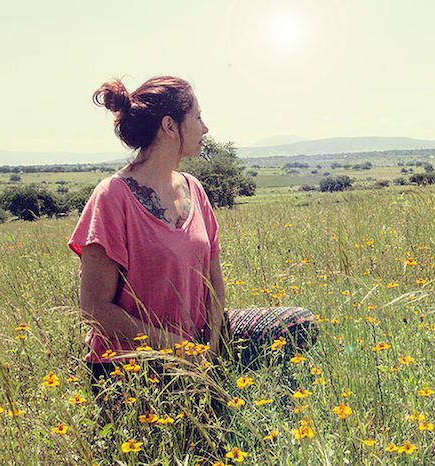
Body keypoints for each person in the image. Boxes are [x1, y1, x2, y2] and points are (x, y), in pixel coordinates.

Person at [69, 76, 316, 393]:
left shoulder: (193, 189)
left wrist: (210, 346)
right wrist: (175, 347)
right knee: (186, 440)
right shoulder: (112, 197)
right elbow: (94, 309)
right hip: (134, 363)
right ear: (170, 126)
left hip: (199, 346)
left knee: (297, 325)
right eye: (197, 117)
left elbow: (214, 281)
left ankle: (271, 425)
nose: (205, 128)